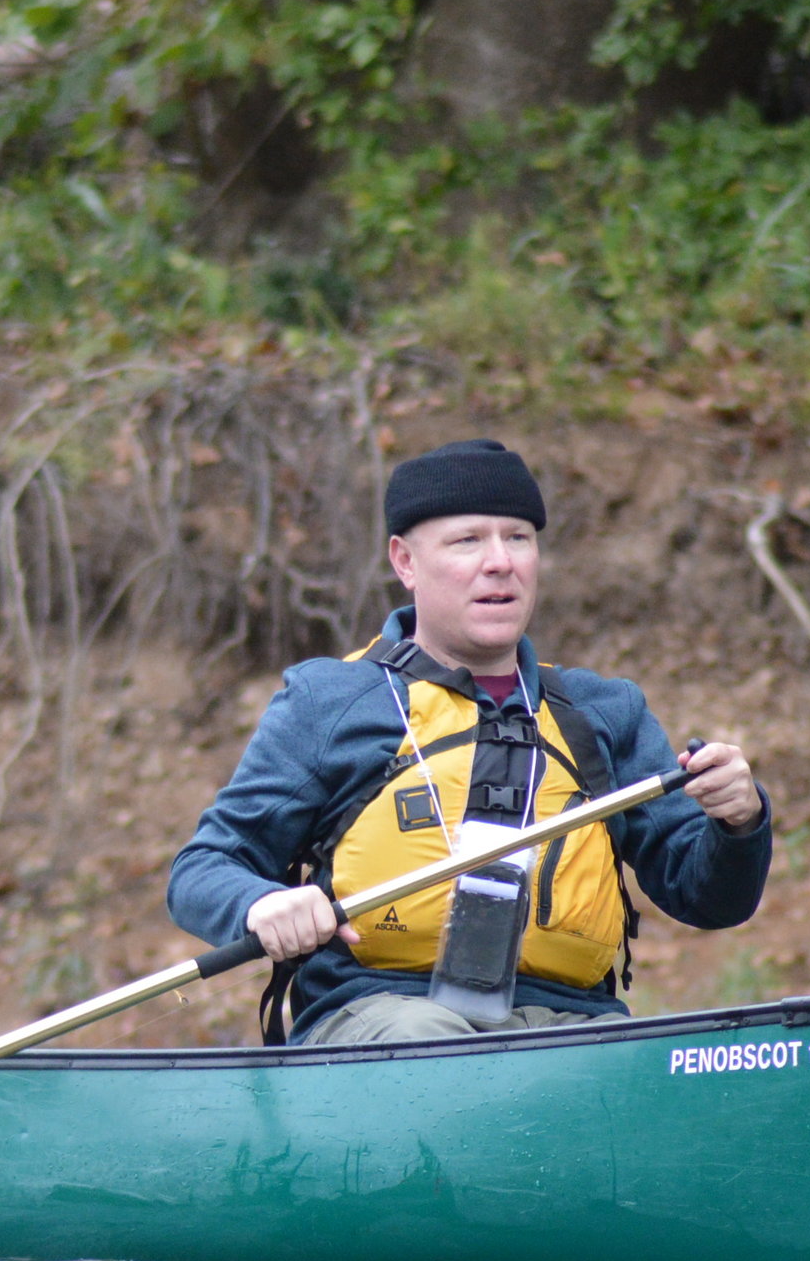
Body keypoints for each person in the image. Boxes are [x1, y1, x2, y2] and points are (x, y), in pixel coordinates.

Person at [168, 439, 771, 1045]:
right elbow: (204, 868)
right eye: (467, 541)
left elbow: (711, 899)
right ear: (405, 562)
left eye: (518, 538)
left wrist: (739, 822)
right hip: (384, 1015)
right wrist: (260, 904)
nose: (500, 561)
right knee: (441, 1048)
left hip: (574, 1025)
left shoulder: (604, 712)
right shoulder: (331, 701)